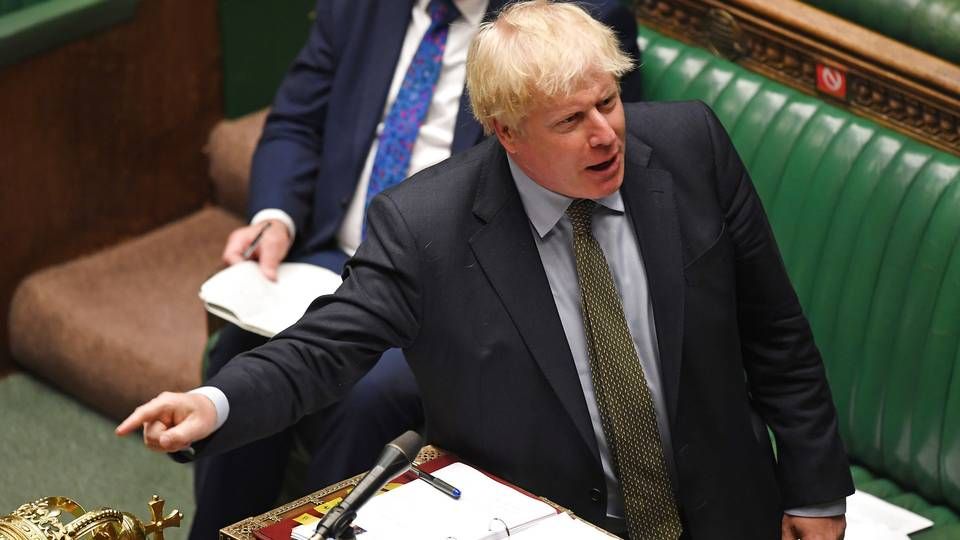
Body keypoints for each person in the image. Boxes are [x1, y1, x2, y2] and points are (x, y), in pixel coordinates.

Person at [118, 1, 854, 538]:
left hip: (725, 511)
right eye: (571, 121)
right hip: (552, 520)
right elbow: (324, 348)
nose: (606, 135)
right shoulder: (426, 225)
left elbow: (777, 335)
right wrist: (212, 404)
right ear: (503, 131)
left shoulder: (691, 147)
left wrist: (817, 494)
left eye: (608, 102)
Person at [192, 0, 642, 538]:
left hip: (450, 286)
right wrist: (277, 215)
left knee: (364, 396)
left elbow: (580, 188)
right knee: (242, 351)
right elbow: (297, 119)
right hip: (332, 254)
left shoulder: (571, 18)